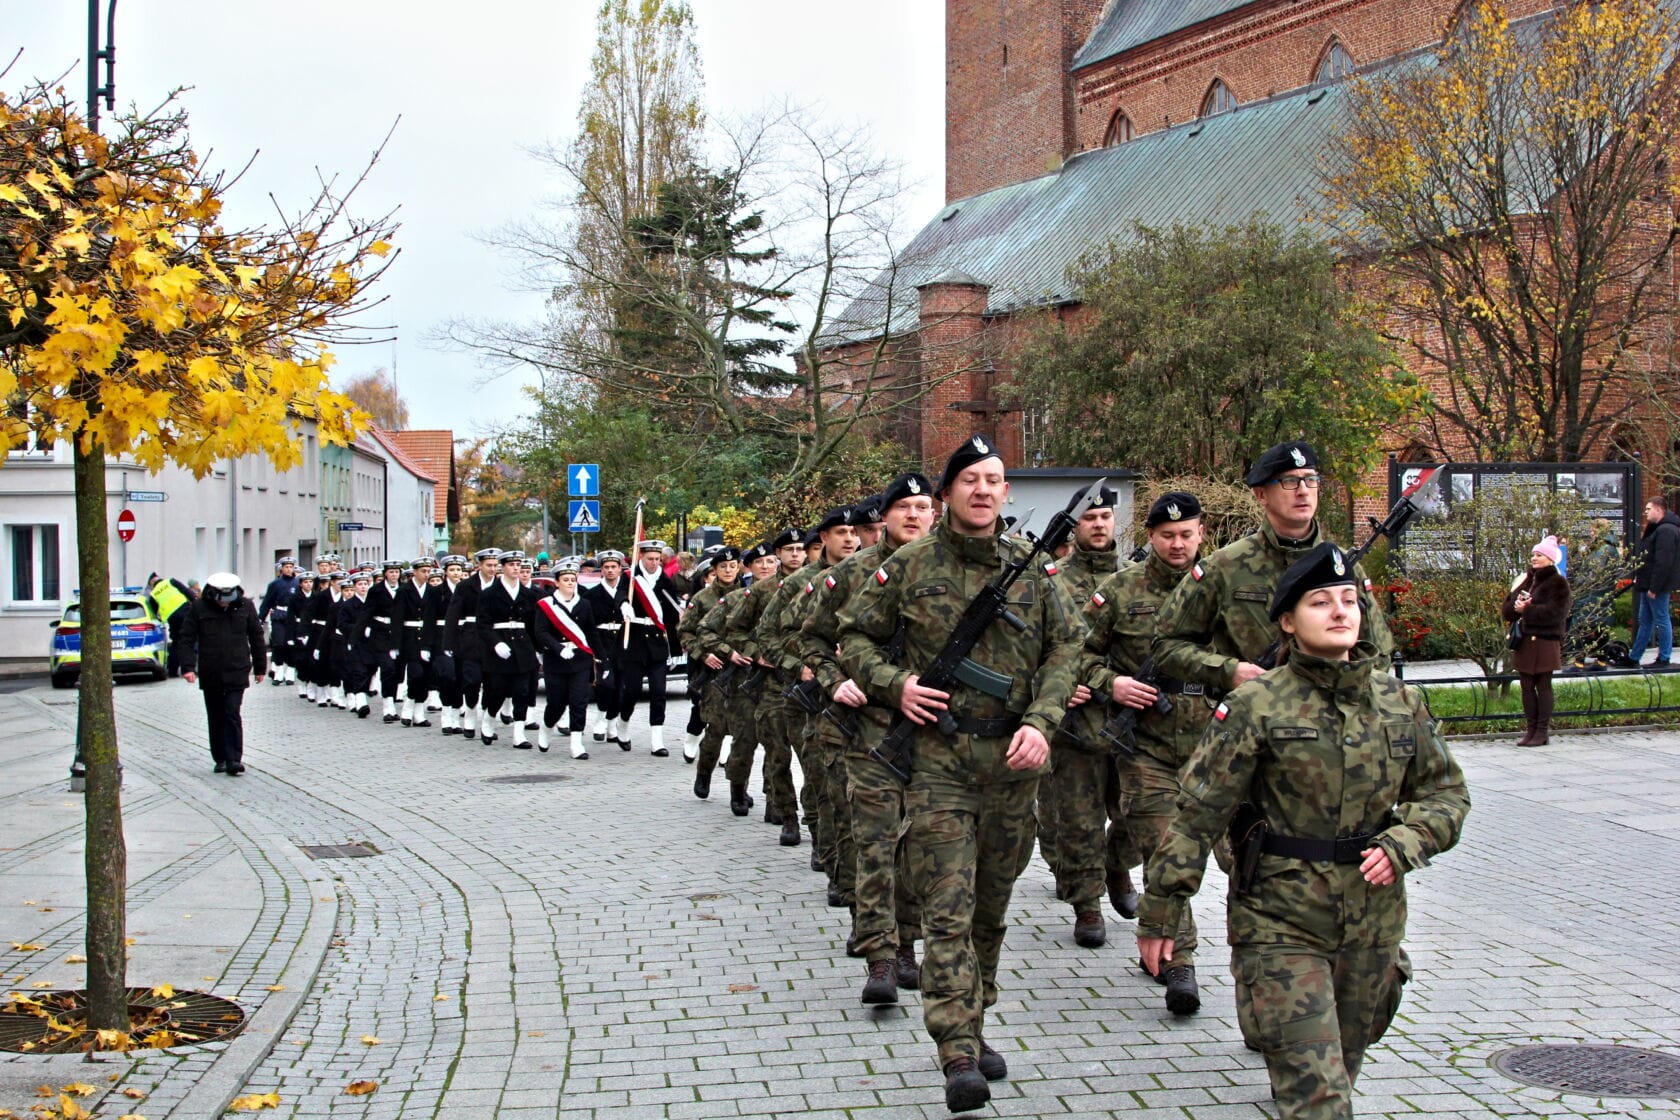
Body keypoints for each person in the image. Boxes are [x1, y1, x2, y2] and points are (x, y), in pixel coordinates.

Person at [1137, 542, 1469, 1120]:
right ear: (1288, 621)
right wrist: (1162, 909)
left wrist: (1407, 841)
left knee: (1341, 1065)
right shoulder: (1256, 705)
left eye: (1348, 600)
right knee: (1319, 1097)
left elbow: (1446, 795)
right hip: (1280, 920)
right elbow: (1198, 812)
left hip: (1373, 923)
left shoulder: (1401, 703)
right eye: (1321, 602)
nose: (1340, 611)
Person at [837, 435, 1083, 1113]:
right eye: (969, 479)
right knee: (947, 911)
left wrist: (1043, 720)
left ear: (1007, 492)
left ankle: (975, 1018)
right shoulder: (910, 564)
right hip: (939, 765)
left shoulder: (1035, 569)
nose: (982, 489)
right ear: (947, 493)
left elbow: (1068, 647)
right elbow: (853, 636)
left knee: (990, 910)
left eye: (993, 479)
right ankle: (956, 1049)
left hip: (1013, 765)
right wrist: (896, 685)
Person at [1070, 491, 1209, 1014]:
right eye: (1167, 535)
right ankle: (1179, 963)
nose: (1177, 544)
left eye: (1186, 534)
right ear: (1150, 536)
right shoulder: (1120, 590)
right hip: (1145, 745)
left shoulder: (1220, 587)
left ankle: (1113, 860)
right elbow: (1076, 653)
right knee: (1165, 852)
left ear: (1201, 533)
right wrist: (1113, 683)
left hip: (1213, 744)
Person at [800, 472, 935, 1000]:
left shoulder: (953, 571)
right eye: (902, 507)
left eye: (922, 506)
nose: (912, 515)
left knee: (918, 848)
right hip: (871, 733)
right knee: (875, 844)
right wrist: (835, 681)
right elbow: (811, 641)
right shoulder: (850, 575)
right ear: (884, 516)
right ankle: (880, 955)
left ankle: (908, 943)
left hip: (935, 734)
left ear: (934, 513)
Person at [1036, 482, 1138, 947]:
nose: (1098, 525)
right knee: (1078, 819)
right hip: (1075, 723)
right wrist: (1055, 683)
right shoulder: (1051, 579)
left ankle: (1117, 865)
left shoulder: (1135, 577)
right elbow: (1034, 645)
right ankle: (1087, 905)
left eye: (1105, 517)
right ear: (1074, 525)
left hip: (1129, 720)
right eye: (1089, 518)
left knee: (1136, 812)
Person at [178, 571, 268, 776]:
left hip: (237, 669)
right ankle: (220, 758)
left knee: (232, 712)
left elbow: (256, 636)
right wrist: (188, 667)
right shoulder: (199, 607)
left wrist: (260, 667)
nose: (224, 604)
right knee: (216, 714)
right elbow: (186, 638)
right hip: (211, 670)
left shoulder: (245, 606)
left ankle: (234, 759)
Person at [681, 546, 742, 788]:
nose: (728, 570)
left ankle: (738, 787)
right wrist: (703, 654)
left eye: (732, 566)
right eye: (723, 566)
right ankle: (704, 773)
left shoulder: (749, 594)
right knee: (715, 726)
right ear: (714, 570)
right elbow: (685, 632)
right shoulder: (702, 598)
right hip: (713, 671)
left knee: (742, 730)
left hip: (742, 669)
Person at [615, 540, 684, 754]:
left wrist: (675, 649)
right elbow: (620, 594)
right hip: (635, 641)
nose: (654, 563)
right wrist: (624, 605)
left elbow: (671, 616)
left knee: (658, 692)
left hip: (657, 643)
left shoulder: (665, 581)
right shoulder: (631, 577)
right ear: (641, 557)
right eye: (650, 559)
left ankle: (657, 740)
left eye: (657, 559)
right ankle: (622, 724)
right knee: (632, 691)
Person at [1502, 537, 1572, 746]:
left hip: (1545, 640)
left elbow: (1557, 612)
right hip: (1525, 641)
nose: (1534, 558)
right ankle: (1530, 729)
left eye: (1539, 555)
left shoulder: (1558, 582)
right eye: (1533, 554)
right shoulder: (1525, 580)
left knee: (1543, 685)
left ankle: (1542, 731)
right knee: (1526, 686)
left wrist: (1529, 610)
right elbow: (1507, 610)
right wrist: (1516, 607)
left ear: (1550, 559)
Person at [534, 557, 600, 757]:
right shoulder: (546, 605)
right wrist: (557, 648)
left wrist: (603, 659)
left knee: (579, 701)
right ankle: (547, 727)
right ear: (557, 582)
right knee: (557, 703)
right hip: (556, 660)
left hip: (580, 658)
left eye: (573, 579)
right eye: (566, 580)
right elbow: (540, 632)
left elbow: (591, 633)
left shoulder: (584, 604)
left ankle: (576, 743)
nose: (570, 583)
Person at [476, 549, 538, 747]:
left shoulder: (528, 594)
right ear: (502, 567)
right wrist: (495, 643)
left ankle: (519, 734)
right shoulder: (489, 594)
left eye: (518, 565)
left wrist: (538, 649)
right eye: (511, 565)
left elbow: (533, 625)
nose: (516, 568)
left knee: (522, 691)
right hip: (499, 647)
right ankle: (488, 720)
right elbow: (482, 624)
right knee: (497, 690)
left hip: (522, 646)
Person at [1619, 495, 1680, 669]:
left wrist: (1654, 587)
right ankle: (1634, 657)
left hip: (1656, 585)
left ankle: (1664, 657)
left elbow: (1663, 562)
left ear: (1659, 509)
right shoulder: (1657, 528)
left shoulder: (1666, 530)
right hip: (1648, 582)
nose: (1645, 512)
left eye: (1648, 509)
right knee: (1645, 620)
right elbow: (1649, 558)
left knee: (1661, 618)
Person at [585, 550, 630, 745]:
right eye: (606, 567)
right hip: (601, 641)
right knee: (606, 684)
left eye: (614, 567)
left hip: (622, 641)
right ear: (601, 570)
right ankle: (600, 718)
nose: (610, 570)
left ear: (620, 569)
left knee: (620, 687)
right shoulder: (592, 595)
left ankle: (612, 725)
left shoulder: (627, 593)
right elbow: (588, 624)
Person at [399, 557, 438, 727]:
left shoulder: (432, 591)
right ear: (414, 572)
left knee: (426, 675)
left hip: (428, 637)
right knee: (415, 674)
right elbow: (397, 617)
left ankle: (419, 713)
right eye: (423, 571)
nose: (426, 574)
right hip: (410, 637)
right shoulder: (404, 591)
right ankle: (408, 706)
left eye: (428, 571)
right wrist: (395, 643)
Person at [366, 559, 407, 722]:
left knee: (397, 670)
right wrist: (364, 629)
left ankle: (393, 701)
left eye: (397, 572)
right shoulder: (376, 590)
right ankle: (388, 706)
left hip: (399, 634)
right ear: (385, 574)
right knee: (387, 668)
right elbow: (367, 611)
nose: (394, 575)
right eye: (391, 572)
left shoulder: (405, 589)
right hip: (381, 633)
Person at [144, 572, 196, 678]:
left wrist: (159, 619)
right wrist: (196, 605)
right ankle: (192, 668)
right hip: (186, 613)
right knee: (192, 640)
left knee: (176, 643)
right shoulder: (171, 581)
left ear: (152, 584)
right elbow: (188, 593)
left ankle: (173, 671)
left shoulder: (153, 594)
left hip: (173, 619)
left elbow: (153, 612)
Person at [258, 557, 300, 686]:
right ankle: (279, 672)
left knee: (291, 645)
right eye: (286, 567)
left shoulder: (298, 583)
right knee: (279, 644)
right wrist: (261, 618)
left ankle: (290, 673)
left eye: (291, 567)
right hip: (279, 616)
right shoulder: (275, 584)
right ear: (281, 568)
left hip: (293, 617)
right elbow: (267, 602)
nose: (288, 569)